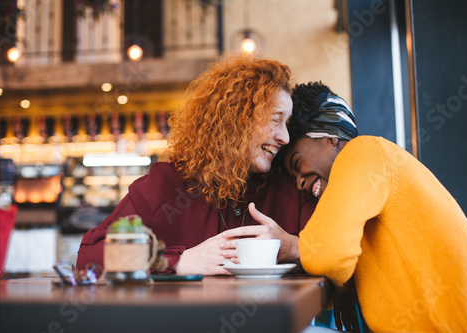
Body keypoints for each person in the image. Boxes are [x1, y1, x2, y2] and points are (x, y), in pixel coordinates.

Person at [76, 55, 317, 275]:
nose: (284, 138)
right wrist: (178, 261)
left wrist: (292, 246)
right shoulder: (166, 186)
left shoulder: (289, 186)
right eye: (275, 120)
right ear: (235, 120)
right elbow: (91, 257)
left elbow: (341, 255)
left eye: (287, 123)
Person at [274, 81, 467, 332]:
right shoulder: (366, 174)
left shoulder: (363, 151)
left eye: (297, 163)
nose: (299, 183)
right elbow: (337, 258)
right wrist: (345, 285)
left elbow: (328, 256)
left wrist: (289, 246)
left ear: (329, 137)